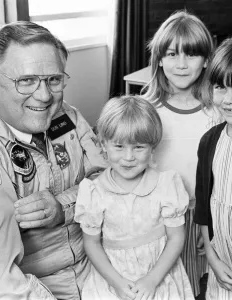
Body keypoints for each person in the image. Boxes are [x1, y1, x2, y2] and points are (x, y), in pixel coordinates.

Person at [0, 21, 107, 300]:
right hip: (41, 289)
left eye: (53, 80)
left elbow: (110, 181)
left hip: (100, 269)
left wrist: (62, 207)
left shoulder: (69, 118)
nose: (44, 96)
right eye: (26, 81)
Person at [74, 95, 194, 300]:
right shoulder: (93, 191)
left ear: (152, 147)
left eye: (138, 147)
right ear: (103, 144)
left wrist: (152, 280)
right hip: (113, 278)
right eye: (119, 146)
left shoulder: (166, 185)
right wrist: (117, 283)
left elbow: (176, 238)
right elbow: (92, 244)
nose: (128, 157)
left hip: (159, 276)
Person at [142, 10, 221, 297]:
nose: (182, 64)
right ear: (159, 59)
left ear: (207, 61)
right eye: (173, 54)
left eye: (192, 55)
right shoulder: (146, 111)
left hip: (204, 215)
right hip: (157, 219)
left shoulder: (217, 111)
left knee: (200, 285)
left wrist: (208, 224)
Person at [194, 37, 232, 300]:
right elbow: (205, 209)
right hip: (222, 268)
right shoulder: (210, 142)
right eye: (220, 87)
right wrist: (211, 255)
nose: (228, 100)